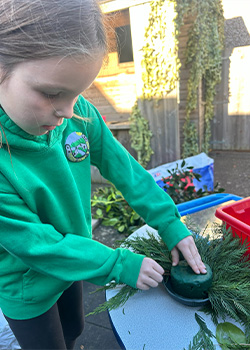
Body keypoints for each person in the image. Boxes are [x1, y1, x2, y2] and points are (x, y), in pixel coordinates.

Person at [0, 0, 206, 349]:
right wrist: (116, 263)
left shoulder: (77, 114)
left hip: (76, 262)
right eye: (52, 93)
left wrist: (171, 225)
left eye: (79, 92)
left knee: (74, 331)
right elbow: (37, 246)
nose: (68, 111)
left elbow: (126, 171)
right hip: (28, 284)